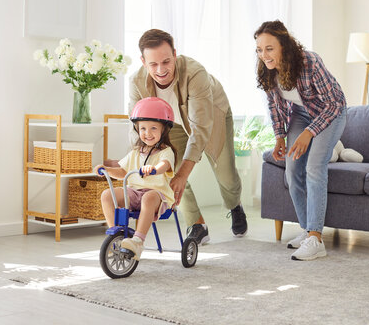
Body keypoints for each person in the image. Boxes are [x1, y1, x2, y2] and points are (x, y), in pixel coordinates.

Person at [128, 29, 248, 245]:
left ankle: (234, 205)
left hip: (213, 114)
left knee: (226, 176)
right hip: (169, 124)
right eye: (153, 64)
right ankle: (197, 224)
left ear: (175, 54)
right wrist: (144, 160)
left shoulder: (195, 73)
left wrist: (184, 173)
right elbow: (136, 128)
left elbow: (200, 128)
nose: (161, 70)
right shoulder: (136, 82)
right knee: (166, 171)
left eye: (166, 61)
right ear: (143, 61)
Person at [254, 20, 347, 261]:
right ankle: (307, 230)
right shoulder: (266, 68)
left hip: (331, 112)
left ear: (284, 45)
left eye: (269, 48)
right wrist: (279, 137)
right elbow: (274, 105)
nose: (264, 55)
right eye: (259, 49)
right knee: (292, 169)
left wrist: (310, 133)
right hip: (301, 113)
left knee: (314, 167)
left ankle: (316, 239)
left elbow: (334, 104)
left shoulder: (309, 62)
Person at [95, 97, 176, 260]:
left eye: (153, 128)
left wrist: (154, 169)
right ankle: (116, 234)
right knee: (106, 195)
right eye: (143, 128)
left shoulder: (166, 152)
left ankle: (138, 241)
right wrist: (106, 169)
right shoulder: (136, 152)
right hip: (134, 192)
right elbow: (123, 171)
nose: (148, 133)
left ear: (164, 130)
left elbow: (165, 165)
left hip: (157, 196)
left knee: (148, 197)